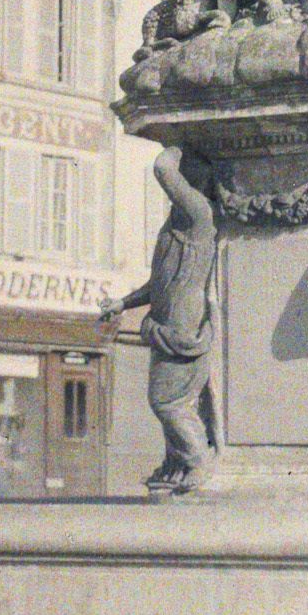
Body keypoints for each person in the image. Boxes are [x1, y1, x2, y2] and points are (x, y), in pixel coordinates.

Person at [103, 147, 218, 497]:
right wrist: (123, 303)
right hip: (165, 320)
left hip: (182, 324)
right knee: (168, 399)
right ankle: (177, 463)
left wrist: (177, 145)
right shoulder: (175, 226)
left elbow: (163, 169)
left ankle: (198, 460)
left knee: (167, 401)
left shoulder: (199, 214)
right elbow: (158, 282)